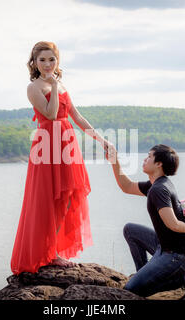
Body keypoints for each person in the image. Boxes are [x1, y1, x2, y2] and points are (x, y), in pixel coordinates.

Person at [10, 41, 111, 275]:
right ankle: (49, 255)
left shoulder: (61, 83)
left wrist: (103, 141)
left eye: (51, 59)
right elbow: (51, 113)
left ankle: (53, 250)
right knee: (47, 199)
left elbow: (76, 115)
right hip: (47, 146)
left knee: (66, 198)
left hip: (67, 142)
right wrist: (54, 86)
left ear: (58, 61)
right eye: (42, 60)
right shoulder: (33, 87)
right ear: (34, 63)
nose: (47, 64)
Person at [105, 143, 185, 299]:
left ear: (159, 164)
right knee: (130, 229)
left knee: (131, 289)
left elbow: (173, 224)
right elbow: (127, 186)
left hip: (178, 255)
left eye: (149, 156)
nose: (145, 159)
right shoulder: (155, 184)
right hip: (163, 247)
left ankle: (183, 278)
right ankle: (143, 275)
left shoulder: (159, 189)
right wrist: (115, 161)